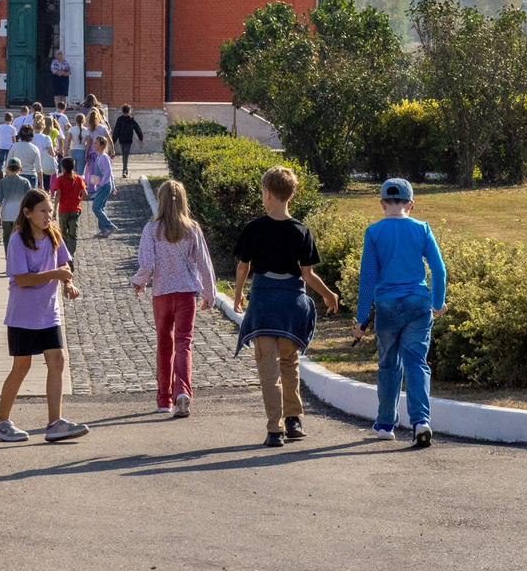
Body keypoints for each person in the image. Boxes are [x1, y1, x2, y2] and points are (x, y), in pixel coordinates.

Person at [231, 165, 339, 448]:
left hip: (264, 305)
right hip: (292, 306)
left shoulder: (254, 229)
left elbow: (244, 266)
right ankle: (294, 420)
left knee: (268, 370)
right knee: (290, 363)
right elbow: (308, 275)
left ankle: (274, 430)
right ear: (291, 195)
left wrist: (238, 295)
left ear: (267, 193)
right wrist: (328, 295)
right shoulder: (301, 231)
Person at [354, 177, 448, 449]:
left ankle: (386, 424)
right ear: (411, 204)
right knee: (416, 363)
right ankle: (421, 422)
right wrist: (438, 302)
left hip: (386, 306)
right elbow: (439, 269)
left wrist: (361, 319)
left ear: (382, 204)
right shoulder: (422, 228)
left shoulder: (373, 232)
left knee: (388, 364)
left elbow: (368, 278)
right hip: (419, 305)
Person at [0, 190, 86, 444]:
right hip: (23, 315)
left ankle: (55, 422)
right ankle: (1, 423)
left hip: (49, 313)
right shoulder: (17, 240)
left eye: (50, 210)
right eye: (43, 211)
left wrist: (67, 283)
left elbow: (65, 265)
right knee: (21, 367)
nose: (48, 215)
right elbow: (22, 279)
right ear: (27, 213)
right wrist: (55, 275)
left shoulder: (54, 234)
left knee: (58, 360)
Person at [130, 177, 218, 417]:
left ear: (160, 201)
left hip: (161, 294)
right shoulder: (192, 229)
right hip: (186, 294)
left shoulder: (152, 229)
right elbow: (204, 263)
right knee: (183, 343)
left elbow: (147, 264)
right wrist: (209, 294)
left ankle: (164, 399)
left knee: (164, 344)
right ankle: (183, 392)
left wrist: (139, 281)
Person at [50, 154, 88, 256]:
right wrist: (79, 200)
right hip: (75, 209)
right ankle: (71, 253)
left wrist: (54, 210)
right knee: (73, 233)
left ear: (63, 168)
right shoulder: (78, 178)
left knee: (63, 233)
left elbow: (58, 195)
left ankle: (64, 253)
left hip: (63, 210)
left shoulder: (60, 180)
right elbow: (85, 193)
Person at [83, 133, 117, 235]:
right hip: (101, 185)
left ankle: (110, 226)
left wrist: (102, 184)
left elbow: (108, 172)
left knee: (96, 207)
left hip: (104, 186)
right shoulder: (99, 157)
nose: (94, 145)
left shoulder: (103, 157)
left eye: (96, 143)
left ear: (102, 145)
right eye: (93, 143)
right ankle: (103, 230)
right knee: (101, 207)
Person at [0, 157, 34, 231]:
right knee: (22, 236)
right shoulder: (25, 182)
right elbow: (30, 200)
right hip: (21, 215)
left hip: (7, 215)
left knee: (7, 237)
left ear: (8, 169)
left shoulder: (3, 182)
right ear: (20, 168)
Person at [112, 106, 141, 176]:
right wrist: (140, 137)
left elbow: (116, 130)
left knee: (124, 154)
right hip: (128, 139)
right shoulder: (131, 119)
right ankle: (125, 170)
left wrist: (113, 140)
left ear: (122, 111)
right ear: (129, 111)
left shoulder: (119, 119)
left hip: (121, 139)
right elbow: (137, 128)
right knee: (126, 154)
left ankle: (125, 169)